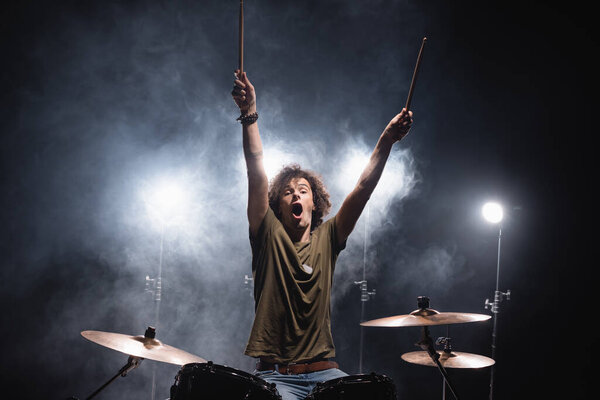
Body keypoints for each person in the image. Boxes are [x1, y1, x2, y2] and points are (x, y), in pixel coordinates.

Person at [231, 69, 413, 400]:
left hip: (325, 373)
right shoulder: (267, 234)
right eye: (287, 192)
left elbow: (363, 189)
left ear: (315, 203)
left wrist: (386, 139)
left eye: (302, 190)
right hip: (277, 377)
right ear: (279, 206)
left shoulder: (329, 238)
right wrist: (249, 113)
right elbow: (256, 168)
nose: (296, 195)